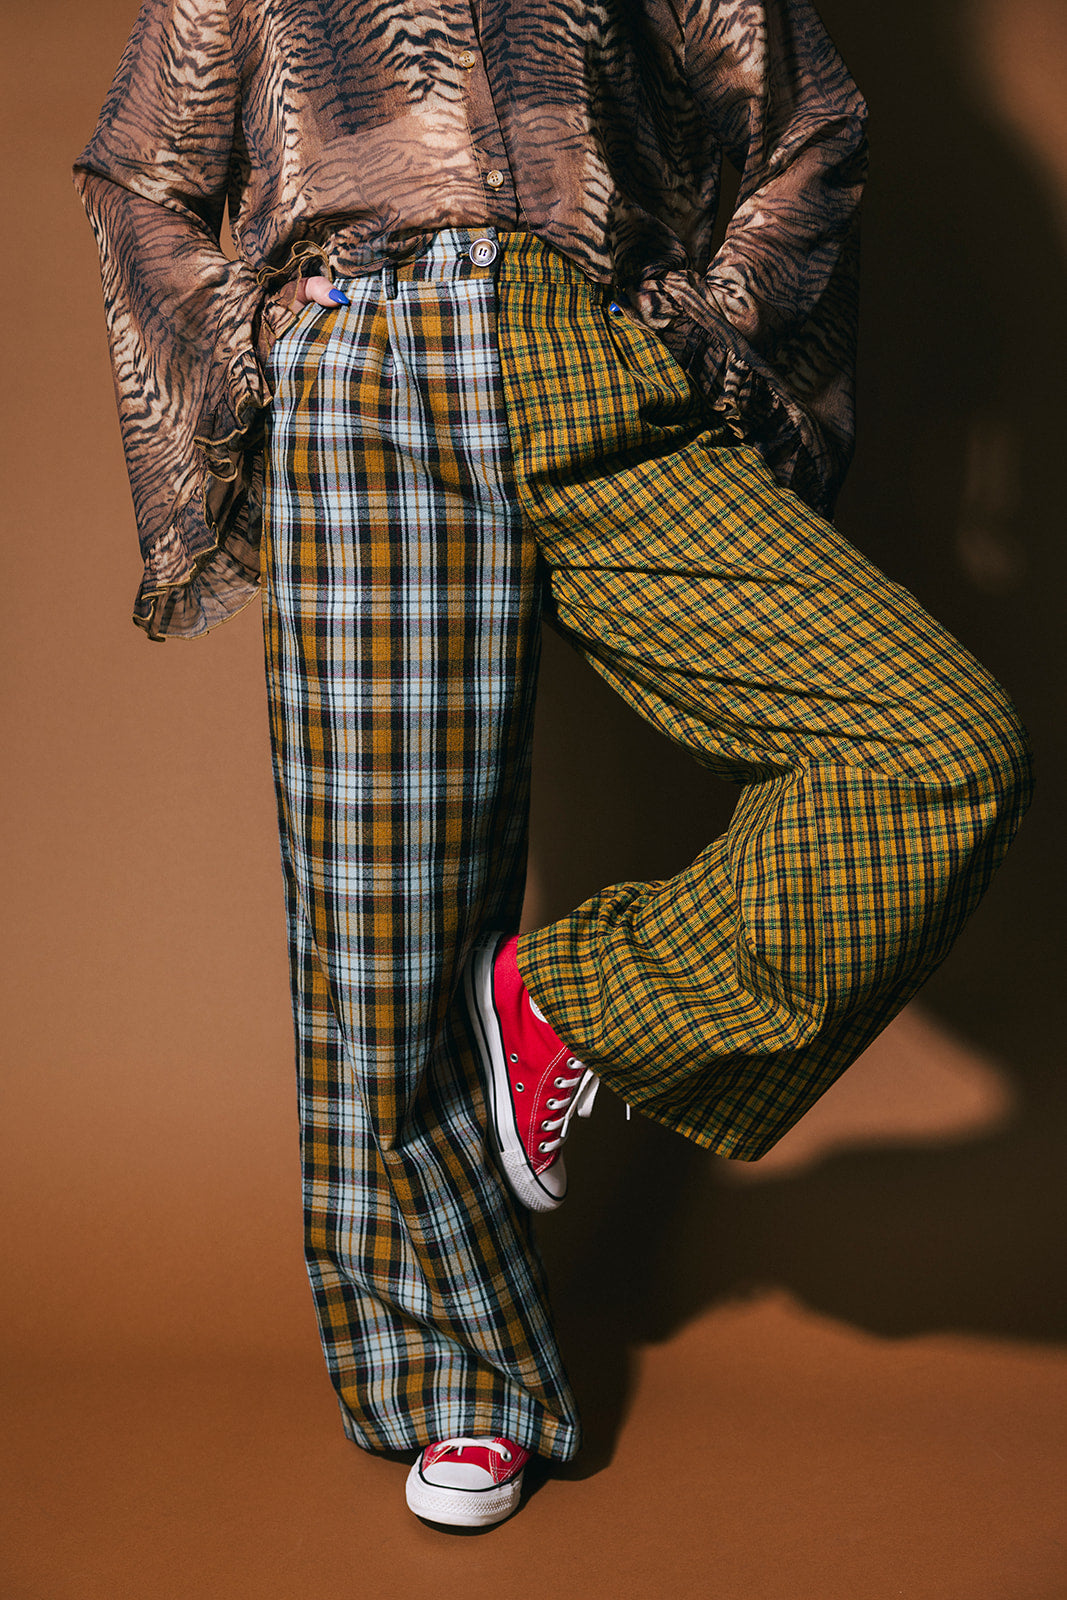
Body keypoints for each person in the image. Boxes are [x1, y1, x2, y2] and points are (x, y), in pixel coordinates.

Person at [73, 0, 1033, 1530]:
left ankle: (573, 1001)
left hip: (591, 355)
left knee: (931, 740)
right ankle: (459, 1375)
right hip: (361, 374)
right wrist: (265, 347)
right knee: (385, 940)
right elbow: (144, 171)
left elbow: (806, 123)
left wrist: (693, 328)